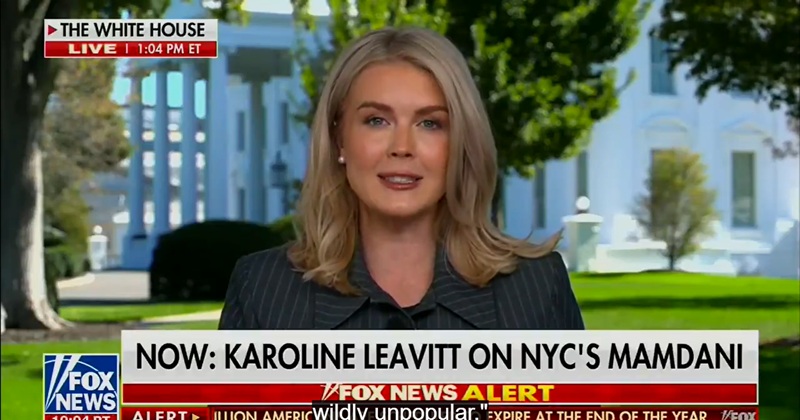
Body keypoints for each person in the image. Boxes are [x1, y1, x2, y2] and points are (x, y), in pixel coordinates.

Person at [219, 26, 584, 330]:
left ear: (461, 142)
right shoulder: (262, 290)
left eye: (430, 124)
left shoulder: (537, 287)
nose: (402, 147)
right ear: (339, 138)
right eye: (377, 121)